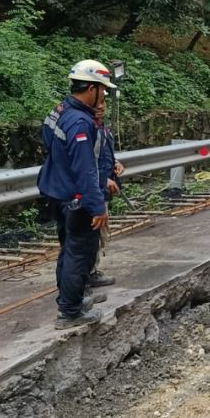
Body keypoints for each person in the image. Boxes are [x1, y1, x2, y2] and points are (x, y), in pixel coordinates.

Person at [38, 60, 114, 329]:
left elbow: (47, 139)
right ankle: (70, 312)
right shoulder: (81, 123)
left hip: (58, 192)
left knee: (68, 249)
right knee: (80, 251)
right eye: (102, 92)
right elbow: (85, 170)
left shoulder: (60, 110)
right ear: (91, 89)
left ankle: (70, 299)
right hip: (77, 197)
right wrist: (97, 207)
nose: (104, 97)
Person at [89, 101, 123, 289]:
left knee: (100, 234)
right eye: (97, 103)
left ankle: (92, 271)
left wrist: (115, 163)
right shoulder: (87, 129)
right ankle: (87, 276)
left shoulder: (103, 128)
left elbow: (102, 155)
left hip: (101, 190)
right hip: (93, 191)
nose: (101, 107)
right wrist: (103, 181)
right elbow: (86, 163)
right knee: (92, 233)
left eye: (104, 103)